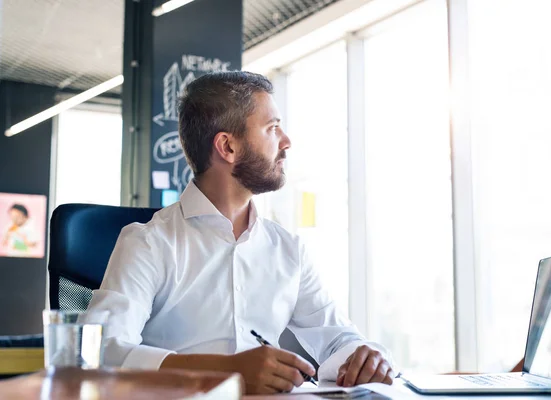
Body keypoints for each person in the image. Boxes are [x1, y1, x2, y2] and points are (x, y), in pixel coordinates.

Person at [86, 71, 396, 394]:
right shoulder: (148, 243)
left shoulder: (289, 250)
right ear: (227, 147)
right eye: (272, 128)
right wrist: (226, 372)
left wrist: (366, 356)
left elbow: (340, 339)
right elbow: (101, 351)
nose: (286, 141)